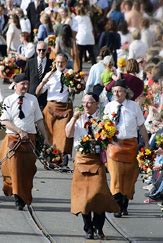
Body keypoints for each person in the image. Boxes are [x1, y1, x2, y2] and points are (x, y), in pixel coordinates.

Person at [66, 93, 120, 239]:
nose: (86, 105)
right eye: (84, 102)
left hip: (96, 161)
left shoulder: (103, 120)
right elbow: (68, 134)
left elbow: (112, 137)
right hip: (82, 160)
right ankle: (88, 228)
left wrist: (106, 134)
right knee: (84, 198)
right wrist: (74, 118)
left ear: (96, 104)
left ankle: (99, 227)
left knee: (99, 195)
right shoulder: (78, 118)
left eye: (89, 102)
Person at [0, 73, 50, 210]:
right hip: (14, 139)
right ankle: (17, 197)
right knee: (15, 169)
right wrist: (19, 131)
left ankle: (25, 194)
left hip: (30, 140)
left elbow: (39, 120)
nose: (25, 87)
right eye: (23, 84)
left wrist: (45, 137)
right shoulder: (8, 100)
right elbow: (4, 120)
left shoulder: (32, 99)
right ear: (15, 85)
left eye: (27, 84)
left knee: (28, 170)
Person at [104, 79, 149, 217]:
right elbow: (103, 126)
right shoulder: (109, 106)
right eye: (114, 91)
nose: (117, 93)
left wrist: (146, 144)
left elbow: (141, 126)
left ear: (126, 92)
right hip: (114, 146)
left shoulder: (134, 106)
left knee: (129, 177)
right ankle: (117, 205)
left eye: (119, 91)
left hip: (131, 146)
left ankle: (124, 204)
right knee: (116, 176)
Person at [36, 53, 73, 166]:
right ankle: (50, 158)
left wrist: (72, 82)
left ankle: (59, 159)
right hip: (51, 106)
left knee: (62, 134)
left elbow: (74, 91)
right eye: (57, 62)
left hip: (65, 108)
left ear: (66, 63)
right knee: (49, 135)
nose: (60, 64)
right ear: (54, 63)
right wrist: (44, 80)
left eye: (62, 62)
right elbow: (37, 92)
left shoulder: (70, 74)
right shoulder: (50, 75)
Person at [24, 41, 52, 109]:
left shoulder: (52, 63)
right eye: (39, 50)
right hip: (32, 95)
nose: (41, 52)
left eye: (43, 50)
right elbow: (26, 78)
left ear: (47, 50)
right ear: (36, 50)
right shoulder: (30, 62)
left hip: (46, 96)